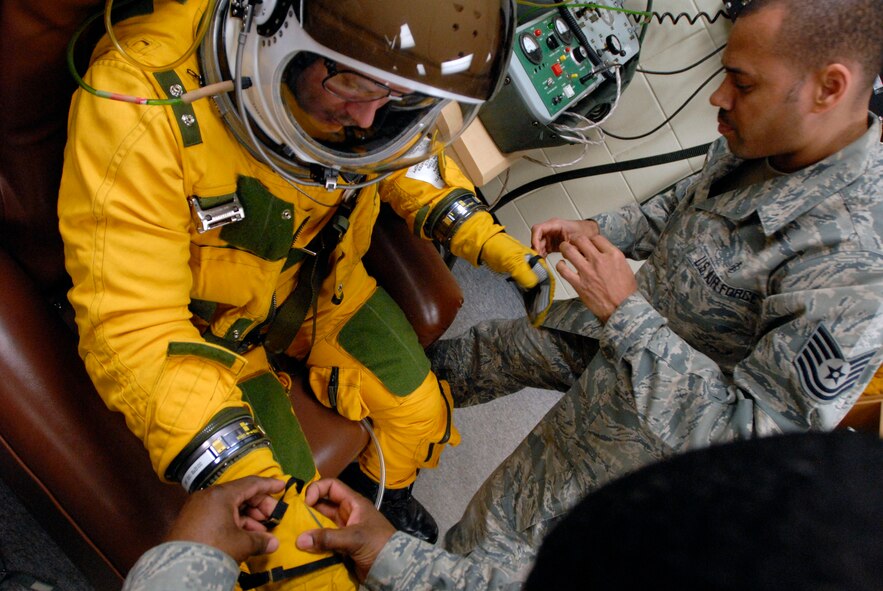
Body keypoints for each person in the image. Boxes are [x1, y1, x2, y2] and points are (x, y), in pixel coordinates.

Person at [293, 0, 883, 587]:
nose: (719, 98)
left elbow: (750, 442)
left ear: (828, 88)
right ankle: (383, 458)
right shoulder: (760, 135)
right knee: (481, 354)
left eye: (743, 83)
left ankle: (408, 558)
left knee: (497, 540)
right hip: (608, 329)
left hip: (648, 428)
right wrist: (602, 230)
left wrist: (626, 314)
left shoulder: (854, 268)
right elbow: (679, 209)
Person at [58, 0, 553, 588]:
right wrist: (240, 471)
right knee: (293, 532)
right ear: (274, 33)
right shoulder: (141, 103)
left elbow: (407, 156)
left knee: (420, 416)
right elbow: (135, 329)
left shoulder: (370, 89)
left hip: (321, 289)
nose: (367, 118)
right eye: (352, 85)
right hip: (215, 341)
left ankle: (382, 497)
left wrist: (490, 243)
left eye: (393, 96)